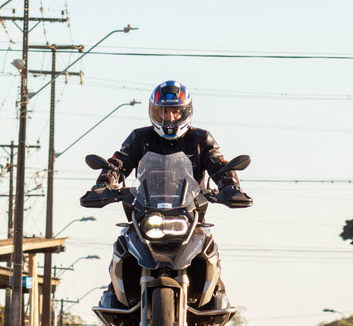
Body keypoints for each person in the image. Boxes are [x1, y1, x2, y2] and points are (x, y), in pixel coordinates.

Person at [86, 80, 250, 311]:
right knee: (123, 246)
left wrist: (231, 187)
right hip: (145, 212)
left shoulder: (201, 139)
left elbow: (219, 164)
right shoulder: (139, 138)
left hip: (190, 216)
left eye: (175, 111)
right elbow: (118, 163)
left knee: (209, 252)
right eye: (163, 111)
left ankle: (214, 298)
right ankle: (117, 295)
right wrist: (104, 184)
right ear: (153, 111)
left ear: (185, 112)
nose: (169, 117)